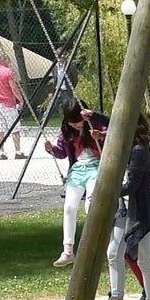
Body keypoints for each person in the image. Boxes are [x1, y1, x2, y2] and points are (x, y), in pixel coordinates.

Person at [98, 118, 150, 300]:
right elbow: (115, 121)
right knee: (113, 253)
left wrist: (106, 190)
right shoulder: (127, 146)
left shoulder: (139, 150)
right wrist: (92, 117)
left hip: (140, 212)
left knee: (144, 259)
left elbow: (131, 185)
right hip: (124, 210)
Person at [49, 99, 106, 269]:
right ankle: (68, 251)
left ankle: (92, 245)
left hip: (96, 167)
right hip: (77, 171)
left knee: (90, 204)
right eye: (71, 123)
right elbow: (61, 153)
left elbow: (114, 132)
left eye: (77, 122)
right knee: (69, 207)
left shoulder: (94, 124)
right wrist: (51, 149)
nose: (75, 125)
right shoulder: (67, 130)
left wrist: (100, 135)